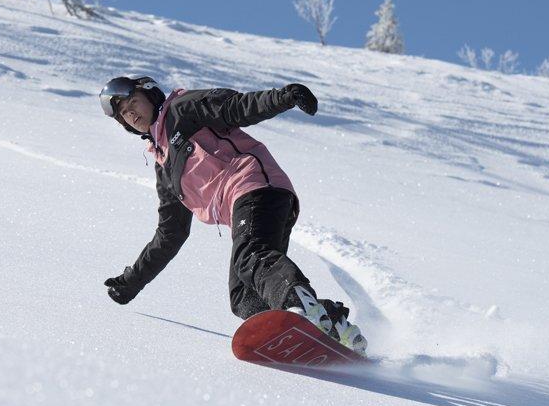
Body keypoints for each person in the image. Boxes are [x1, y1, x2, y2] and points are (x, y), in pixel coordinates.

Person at [98, 76, 367, 354]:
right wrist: (132, 282)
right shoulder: (165, 166)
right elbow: (171, 232)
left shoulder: (181, 109)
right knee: (244, 298)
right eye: (124, 114)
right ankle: (331, 324)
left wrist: (284, 97)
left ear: (151, 96)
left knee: (251, 256)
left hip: (256, 186)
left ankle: (299, 306)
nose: (131, 113)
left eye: (133, 102)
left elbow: (235, 106)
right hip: (248, 206)